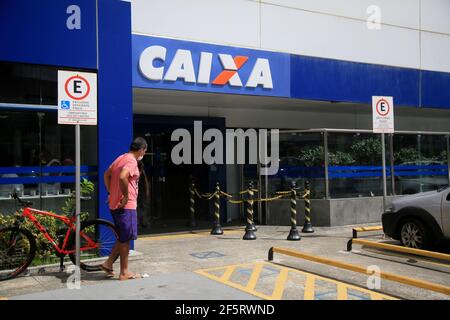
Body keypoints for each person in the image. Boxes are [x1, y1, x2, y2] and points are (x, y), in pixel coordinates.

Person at [101, 137, 147, 280]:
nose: (144, 154)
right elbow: (122, 177)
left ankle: (108, 263)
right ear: (140, 150)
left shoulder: (121, 157)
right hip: (126, 205)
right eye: (144, 151)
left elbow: (106, 174)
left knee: (122, 236)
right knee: (126, 238)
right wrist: (126, 196)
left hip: (115, 204)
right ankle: (124, 272)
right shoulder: (132, 161)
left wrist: (111, 192)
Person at [137, 160, 151, 229]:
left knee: (144, 208)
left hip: (142, 192)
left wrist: (147, 191)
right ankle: (139, 223)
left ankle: (144, 222)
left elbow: (146, 182)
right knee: (139, 208)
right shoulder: (135, 173)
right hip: (138, 193)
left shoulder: (143, 173)